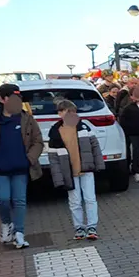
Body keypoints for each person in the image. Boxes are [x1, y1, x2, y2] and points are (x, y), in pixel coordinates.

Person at [0, 84, 43, 249]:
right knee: (3, 199)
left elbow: (38, 141)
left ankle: (19, 233)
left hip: (21, 168)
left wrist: (29, 159)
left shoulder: (27, 119)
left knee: (19, 201)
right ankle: (6, 224)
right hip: (0, 169)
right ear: (3, 99)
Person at [47, 99, 104, 240]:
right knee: (74, 201)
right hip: (69, 172)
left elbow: (95, 146)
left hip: (86, 169)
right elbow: (53, 157)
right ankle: (79, 227)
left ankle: (92, 226)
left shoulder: (83, 127)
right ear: (60, 113)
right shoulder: (55, 131)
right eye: (68, 112)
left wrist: (99, 164)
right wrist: (58, 176)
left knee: (90, 198)